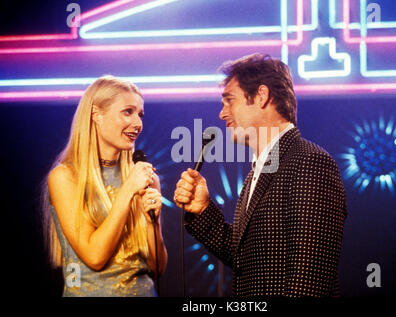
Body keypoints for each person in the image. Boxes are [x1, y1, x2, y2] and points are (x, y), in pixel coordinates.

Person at [174, 54, 347, 297]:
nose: (222, 114)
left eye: (229, 101)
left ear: (261, 96)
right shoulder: (263, 169)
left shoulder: (309, 162)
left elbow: (310, 281)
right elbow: (246, 259)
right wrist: (203, 210)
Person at [42, 75, 167, 297]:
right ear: (96, 114)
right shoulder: (65, 177)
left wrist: (152, 224)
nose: (138, 123)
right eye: (128, 112)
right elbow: (95, 257)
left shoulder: (145, 178)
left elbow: (158, 268)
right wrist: (128, 190)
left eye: (140, 114)